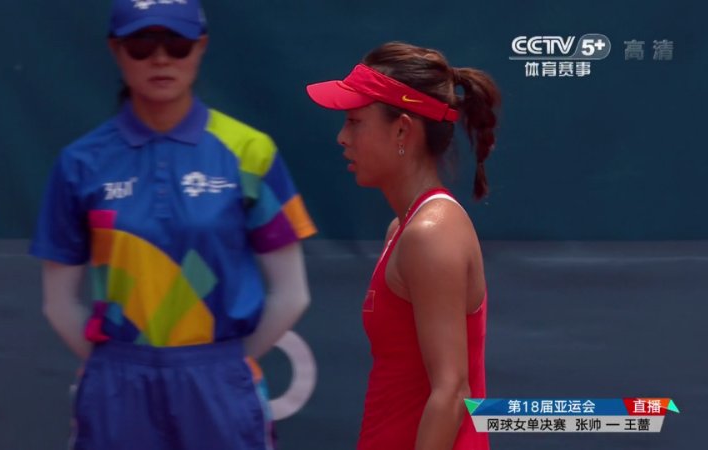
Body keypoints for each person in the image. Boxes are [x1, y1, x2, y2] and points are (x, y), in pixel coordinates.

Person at [30, 1, 317, 449]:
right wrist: (115, 363)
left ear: (200, 47)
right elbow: (58, 304)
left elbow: (292, 293)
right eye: (142, 45)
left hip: (220, 377)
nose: (161, 59)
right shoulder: (80, 163)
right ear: (116, 50)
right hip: (117, 381)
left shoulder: (251, 151)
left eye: (177, 44)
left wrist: (224, 363)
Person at [306, 41, 500, 450]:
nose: (342, 137)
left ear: (401, 130)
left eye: (355, 122)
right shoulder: (405, 229)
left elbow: (452, 392)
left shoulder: (431, 233)